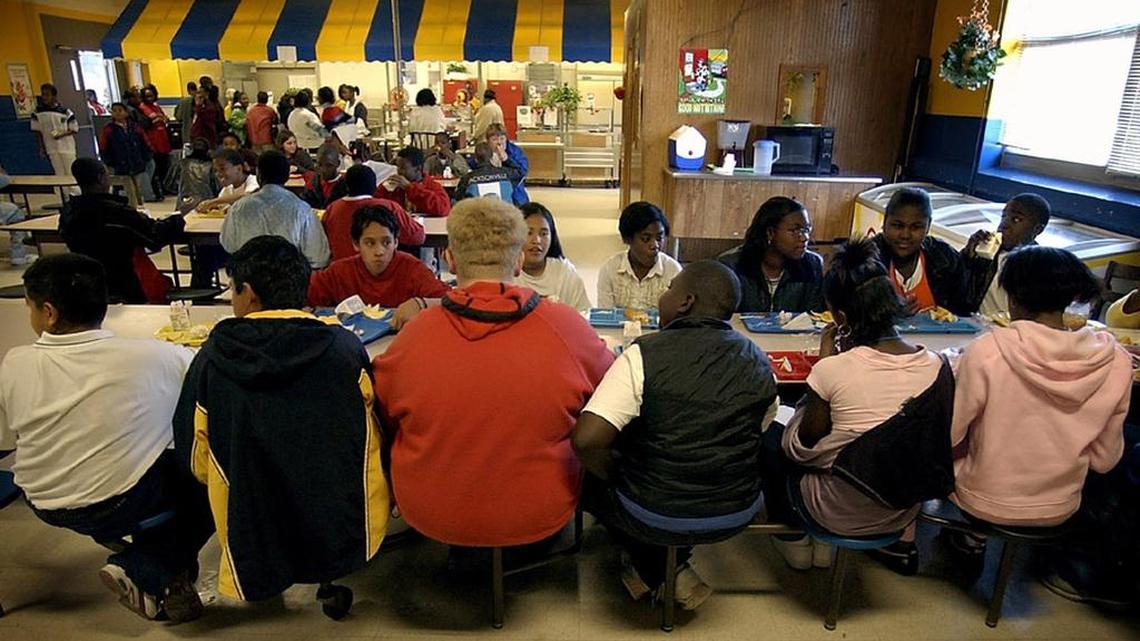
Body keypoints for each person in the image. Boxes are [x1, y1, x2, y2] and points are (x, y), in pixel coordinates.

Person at [372, 198, 613, 549]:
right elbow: (610, 394)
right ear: (519, 262)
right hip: (539, 508)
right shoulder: (567, 328)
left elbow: (382, 410)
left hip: (430, 509)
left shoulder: (413, 337)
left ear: (449, 259)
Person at [173, 235, 387, 602]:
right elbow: (373, 427)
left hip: (252, 519)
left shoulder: (212, 359)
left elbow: (195, 453)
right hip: (336, 512)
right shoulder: (343, 348)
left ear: (249, 293)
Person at [0, 253, 212, 622]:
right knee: (212, 478)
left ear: (49, 313)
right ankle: (145, 567)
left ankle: (170, 581)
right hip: (118, 502)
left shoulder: (13, 363)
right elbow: (205, 384)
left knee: (145, 458)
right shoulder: (155, 356)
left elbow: (8, 438)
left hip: (42, 499)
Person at [573, 260, 778, 609]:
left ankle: (654, 568)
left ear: (686, 302)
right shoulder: (758, 359)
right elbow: (760, 428)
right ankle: (671, 566)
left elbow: (586, 440)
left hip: (656, 512)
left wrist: (618, 473)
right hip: (736, 509)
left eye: (670, 289)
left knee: (591, 478)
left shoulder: (643, 354)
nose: (664, 295)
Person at [762, 237, 952, 575]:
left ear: (841, 317)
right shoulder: (937, 365)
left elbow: (802, 449)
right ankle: (823, 546)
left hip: (834, 510)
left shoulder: (834, 370)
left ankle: (795, 540)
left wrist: (823, 365)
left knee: (771, 435)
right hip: (901, 510)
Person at [950, 247, 1129, 531]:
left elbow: (950, 435)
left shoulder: (987, 350)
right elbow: (1104, 460)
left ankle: (968, 539)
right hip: (1061, 506)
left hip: (983, 500)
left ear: (1013, 298)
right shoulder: (1116, 361)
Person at [60, 158, 185, 304]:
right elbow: (155, 236)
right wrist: (179, 216)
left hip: (90, 286)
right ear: (101, 178)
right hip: (129, 284)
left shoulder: (68, 214)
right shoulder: (118, 212)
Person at [308, 206, 449, 328]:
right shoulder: (339, 272)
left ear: (396, 242)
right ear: (356, 244)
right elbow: (305, 293)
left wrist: (422, 303)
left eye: (386, 242)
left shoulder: (413, 270)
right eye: (370, 243)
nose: (379, 251)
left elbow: (453, 300)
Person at [220, 150, 330, 268]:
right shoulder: (302, 210)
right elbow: (318, 258)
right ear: (286, 176)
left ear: (258, 175)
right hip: (289, 276)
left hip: (250, 276)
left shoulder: (238, 208)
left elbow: (228, 245)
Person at [872, 187, 969, 315]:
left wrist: (972, 257)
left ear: (928, 226)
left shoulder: (944, 257)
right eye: (897, 226)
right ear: (885, 223)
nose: (905, 235)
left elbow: (963, 309)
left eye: (916, 227)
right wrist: (891, 315)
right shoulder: (865, 260)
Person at [719, 197, 824, 313]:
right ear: (770, 232)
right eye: (795, 230)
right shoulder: (731, 265)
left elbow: (813, 315)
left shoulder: (812, 264)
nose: (805, 238)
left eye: (806, 229)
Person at [961, 193, 1051, 317]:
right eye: (1004, 216)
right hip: (975, 322)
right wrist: (967, 256)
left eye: (1016, 219)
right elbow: (957, 290)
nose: (1004, 225)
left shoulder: (1040, 267)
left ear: (1037, 229)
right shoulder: (987, 253)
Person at [322, 164, 424, 261]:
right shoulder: (389, 207)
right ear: (374, 186)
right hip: (380, 269)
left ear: (346, 186)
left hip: (341, 270)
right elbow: (417, 237)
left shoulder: (332, 209)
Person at [597, 201, 682, 309]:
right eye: (646, 239)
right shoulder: (610, 270)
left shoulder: (673, 271)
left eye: (659, 238)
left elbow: (676, 315)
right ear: (627, 239)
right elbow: (605, 314)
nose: (655, 245)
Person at [517, 202, 590, 312]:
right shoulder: (504, 273)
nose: (536, 241)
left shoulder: (565, 272)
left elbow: (583, 313)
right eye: (529, 233)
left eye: (543, 234)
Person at [99, 102, 153, 202]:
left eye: (120, 110)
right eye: (114, 111)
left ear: (126, 113)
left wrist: (145, 158)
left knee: (140, 190)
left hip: (137, 163)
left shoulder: (136, 127)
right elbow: (103, 147)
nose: (117, 113)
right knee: (121, 191)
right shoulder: (108, 129)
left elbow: (146, 143)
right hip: (119, 165)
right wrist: (108, 162)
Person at [375, 146, 451, 216]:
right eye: (398, 166)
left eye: (403, 168)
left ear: (418, 169)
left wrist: (409, 187)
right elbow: (375, 204)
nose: (399, 171)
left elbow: (443, 209)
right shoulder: (391, 186)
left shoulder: (431, 186)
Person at [30, 83, 79, 187]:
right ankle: (63, 194)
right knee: (59, 173)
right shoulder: (37, 112)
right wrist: (41, 147)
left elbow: (74, 129)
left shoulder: (65, 112)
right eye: (43, 94)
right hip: (51, 147)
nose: (44, 97)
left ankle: (75, 193)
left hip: (67, 148)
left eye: (47, 95)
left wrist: (61, 134)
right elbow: (37, 131)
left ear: (54, 96)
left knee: (70, 171)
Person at [456, 141, 521, 202]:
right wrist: (506, 159)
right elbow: (520, 172)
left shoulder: (468, 178)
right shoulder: (505, 173)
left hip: (478, 210)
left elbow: (458, 198)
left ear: (476, 159)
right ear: (492, 156)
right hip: (504, 209)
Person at [139, 86, 173, 202]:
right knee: (155, 169)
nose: (150, 98)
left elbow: (164, 119)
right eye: (147, 96)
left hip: (162, 140)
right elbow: (147, 123)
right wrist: (158, 119)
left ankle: (165, 188)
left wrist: (162, 119)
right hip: (153, 141)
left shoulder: (156, 107)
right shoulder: (142, 108)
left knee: (164, 167)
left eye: (151, 95)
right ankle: (156, 191)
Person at [486, 123, 530, 205]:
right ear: (488, 141)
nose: (499, 143)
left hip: (514, 193)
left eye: (502, 139)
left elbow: (523, 172)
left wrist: (507, 160)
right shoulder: (484, 152)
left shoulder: (515, 151)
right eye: (494, 139)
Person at [301, 143, 348, 208]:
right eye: (319, 164)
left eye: (329, 165)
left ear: (338, 163)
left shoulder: (346, 187)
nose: (323, 170)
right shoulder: (313, 184)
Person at [176, 137, 218, 211]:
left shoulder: (182, 163)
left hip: (184, 201)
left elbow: (169, 183)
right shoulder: (212, 165)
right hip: (207, 202)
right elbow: (217, 186)